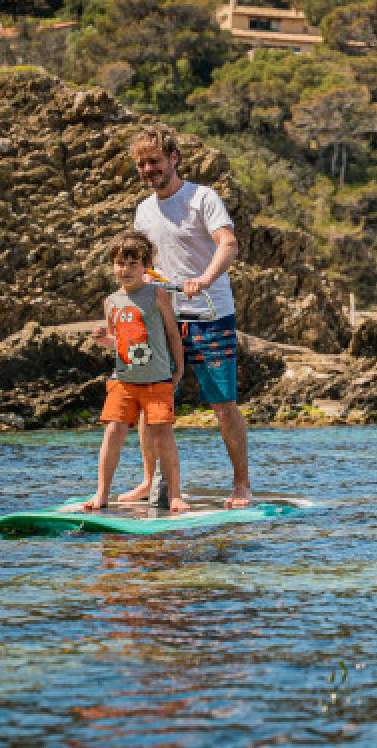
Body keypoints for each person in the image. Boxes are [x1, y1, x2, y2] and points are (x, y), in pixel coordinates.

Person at [124, 124, 253, 509]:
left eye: (155, 161)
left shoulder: (203, 198)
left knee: (222, 403)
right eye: (142, 164)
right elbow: (144, 260)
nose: (149, 170)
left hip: (211, 315)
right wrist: (142, 277)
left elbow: (227, 244)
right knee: (153, 403)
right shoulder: (143, 210)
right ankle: (148, 480)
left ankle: (241, 485)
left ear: (173, 159)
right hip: (164, 318)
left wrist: (205, 278)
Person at [86, 230, 188, 513]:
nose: (126, 269)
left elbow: (172, 334)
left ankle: (176, 495)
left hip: (157, 381)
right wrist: (102, 339)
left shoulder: (157, 294)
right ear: (113, 266)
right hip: (123, 382)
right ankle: (101, 493)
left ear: (146, 267)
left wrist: (178, 368)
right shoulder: (111, 301)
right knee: (113, 432)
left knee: (162, 435)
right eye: (120, 263)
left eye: (133, 264)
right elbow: (119, 342)